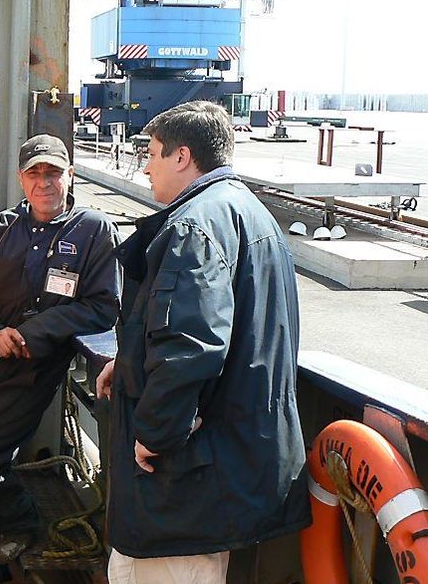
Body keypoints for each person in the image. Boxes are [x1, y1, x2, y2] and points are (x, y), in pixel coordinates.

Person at [95, 101, 309, 583]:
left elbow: (192, 344)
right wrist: (129, 364)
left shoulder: (195, 224)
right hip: (233, 463)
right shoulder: (250, 213)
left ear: (182, 156)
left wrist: (155, 433)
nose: (145, 165)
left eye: (151, 153)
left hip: (188, 480)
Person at [0, 133, 121, 584]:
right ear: (22, 179)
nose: (44, 182)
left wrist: (32, 333)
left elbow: (103, 306)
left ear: (70, 175)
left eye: (53, 172)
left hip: (33, 370)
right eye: (35, 173)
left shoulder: (94, 231)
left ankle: (22, 520)